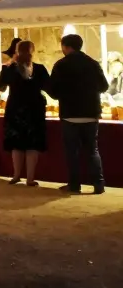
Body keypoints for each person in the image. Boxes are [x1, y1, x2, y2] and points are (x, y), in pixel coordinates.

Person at [47, 34, 109, 195]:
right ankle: (99, 184)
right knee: (92, 151)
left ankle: (74, 185)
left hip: (70, 114)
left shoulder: (60, 65)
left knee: (72, 152)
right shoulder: (93, 64)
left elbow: (53, 92)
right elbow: (104, 86)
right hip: (91, 113)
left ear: (66, 47)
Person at [0, 40, 49, 187]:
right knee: (32, 145)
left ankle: (16, 175)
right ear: (33, 51)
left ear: (16, 51)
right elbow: (49, 87)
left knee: (17, 144)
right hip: (34, 108)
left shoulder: (9, 68)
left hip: (16, 108)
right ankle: (30, 178)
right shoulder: (40, 69)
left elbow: (0, 87)